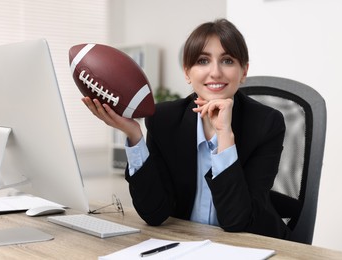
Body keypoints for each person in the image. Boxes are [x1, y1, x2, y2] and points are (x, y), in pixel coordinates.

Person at [82, 18, 290, 239]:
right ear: (187, 72)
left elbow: (237, 221)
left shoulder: (267, 124)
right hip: (186, 244)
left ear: (244, 71)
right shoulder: (164, 120)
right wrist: (134, 135)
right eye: (203, 61)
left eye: (227, 60)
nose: (216, 72)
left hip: (253, 245)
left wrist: (225, 136)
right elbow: (154, 213)